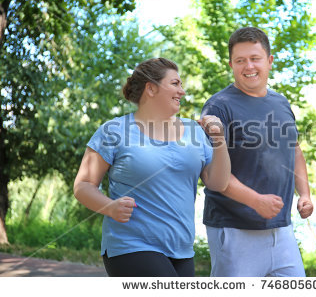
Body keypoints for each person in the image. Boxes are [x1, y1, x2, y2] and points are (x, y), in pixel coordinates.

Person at [73, 57, 230, 277]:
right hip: (131, 246)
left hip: (182, 250)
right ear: (151, 88)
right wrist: (109, 207)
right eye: (175, 84)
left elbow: (219, 183)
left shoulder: (194, 132)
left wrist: (219, 139)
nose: (182, 91)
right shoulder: (114, 131)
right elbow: (83, 186)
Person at [201, 27, 314, 277]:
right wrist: (255, 201)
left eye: (255, 58)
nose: (248, 66)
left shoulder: (281, 103)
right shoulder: (218, 107)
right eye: (240, 60)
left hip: (282, 230)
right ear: (231, 64)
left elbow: (294, 151)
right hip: (234, 231)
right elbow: (211, 173)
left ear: (269, 61)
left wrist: (304, 194)